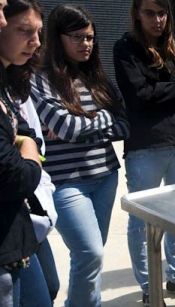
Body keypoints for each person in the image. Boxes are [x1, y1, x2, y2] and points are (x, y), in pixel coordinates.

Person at [29, 4, 130, 306]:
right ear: (57, 38)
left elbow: (124, 125)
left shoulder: (97, 78)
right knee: (90, 253)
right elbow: (67, 126)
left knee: (89, 258)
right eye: (77, 37)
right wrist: (100, 118)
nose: (86, 44)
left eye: (90, 37)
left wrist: (84, 121)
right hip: (66, 183)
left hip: (105, 176)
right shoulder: (40, 80)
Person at [113, 0, 175, 305]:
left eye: (162, 13)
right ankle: (148, 286)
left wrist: (173, 91)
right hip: (145, 147)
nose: (157, 19)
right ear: (137, 14)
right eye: (150, 13)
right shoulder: (126, 49)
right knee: (142, 222)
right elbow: (138, 96)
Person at [0, 0, 59, 305]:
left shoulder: (13, 78)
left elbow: (30, 133)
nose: (35, 42)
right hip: (7, 235)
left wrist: (26, 142)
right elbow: (16, 176)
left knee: (48, 287)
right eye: (25, 31)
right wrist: (29, 147)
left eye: (38, 32)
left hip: (22, 221)